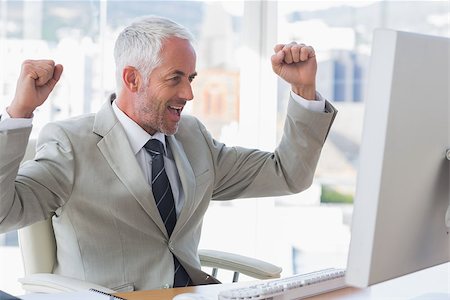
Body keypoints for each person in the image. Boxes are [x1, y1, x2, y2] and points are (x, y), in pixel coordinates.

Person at [0, 16, 336, 291]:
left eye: (190, 78)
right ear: (132, 79)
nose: (188, 93)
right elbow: (5, 214)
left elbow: (288, 174)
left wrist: (303, 91)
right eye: (175, 79)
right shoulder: (71, 143)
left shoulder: (193, 137)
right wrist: (19, 113)